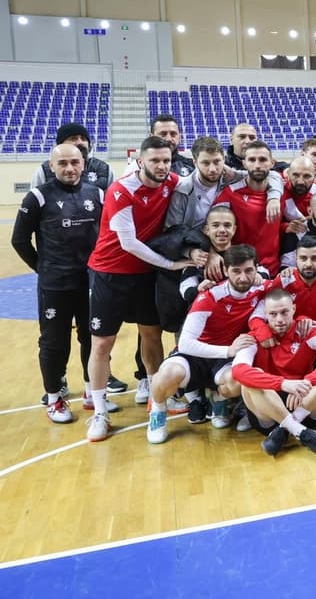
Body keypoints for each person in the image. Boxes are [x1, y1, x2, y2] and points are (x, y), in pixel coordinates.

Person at [84, 136, 196, 442]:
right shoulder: (121, 190)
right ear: (140, 161)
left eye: (166, 161)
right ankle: (99, 412)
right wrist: (172, 264)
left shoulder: (171, 182)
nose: (162, 166)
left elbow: (200, 178)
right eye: (155, 161)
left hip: (145, 275)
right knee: (103, 343)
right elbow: (129, 243)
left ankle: (156, 396)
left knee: (152, 335)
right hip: (110, 273)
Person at [12, 144, 102, 423]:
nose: (69, 168)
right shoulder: (38, 197)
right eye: (62, 163)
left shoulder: (97, 194)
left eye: (75, 162)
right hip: (55, 285)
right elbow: (19, 240)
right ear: (51, 166)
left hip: (89, 282)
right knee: (54, 342)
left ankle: (91, 391)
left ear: (83, 163)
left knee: (92, 338)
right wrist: (43, 267)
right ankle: (54, 398)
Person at [145, 245, 264, 443]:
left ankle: (219, 399)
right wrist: (228, 350)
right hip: (196, 356)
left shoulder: (261, 290)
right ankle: (157, 413)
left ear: (256, 269)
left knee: (239, 380)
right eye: (236, 271)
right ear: (226, 271)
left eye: (248, 270)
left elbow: (291, 279)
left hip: (222, 361)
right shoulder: (209, 296)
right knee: (166, 375)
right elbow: (185, 344)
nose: (243, 277)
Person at [231, 289, 316, 457]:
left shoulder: (309, 330)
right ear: (265, 314)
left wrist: (307, 382)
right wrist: (283, 384)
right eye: (273, 314)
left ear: (294, 309)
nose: (279, 319)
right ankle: (300, 431)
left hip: (305, 403)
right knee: (250, 377)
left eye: (284, 312)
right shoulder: (253, 337)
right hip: (269, 411)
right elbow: (238, 371)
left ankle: (286, 429)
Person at [212, 140, 283, 274]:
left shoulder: (281, 192)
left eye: (262, 160)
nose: (257, 165)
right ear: (244, 163)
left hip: (273, 270)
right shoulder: (230, 193)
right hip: (241, 272)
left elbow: (300, 218)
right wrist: (211, 253)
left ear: (272, 163)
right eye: (252, 160)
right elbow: (212, 228)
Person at [30, 122, 114, 192]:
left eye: (83, 139)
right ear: (60, 144)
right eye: (73, 138)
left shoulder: (105, 170)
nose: (80, 142)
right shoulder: (44, 171)